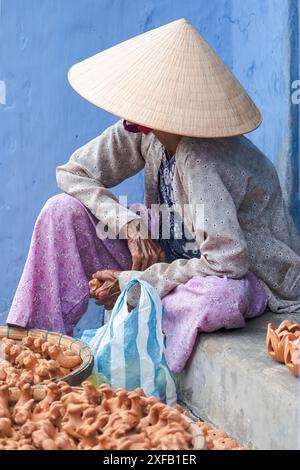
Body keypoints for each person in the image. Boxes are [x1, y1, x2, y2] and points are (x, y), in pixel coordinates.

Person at [7, 19, 300, 374]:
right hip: (173, 245)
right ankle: (35, 351)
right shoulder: (144, 131)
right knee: (61, 212)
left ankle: (126, 363)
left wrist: (136, 283)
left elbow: (228, 264)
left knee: (221, 298)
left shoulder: (202, 158)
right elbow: (73, 172)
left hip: (242, 273)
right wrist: (128, 224)